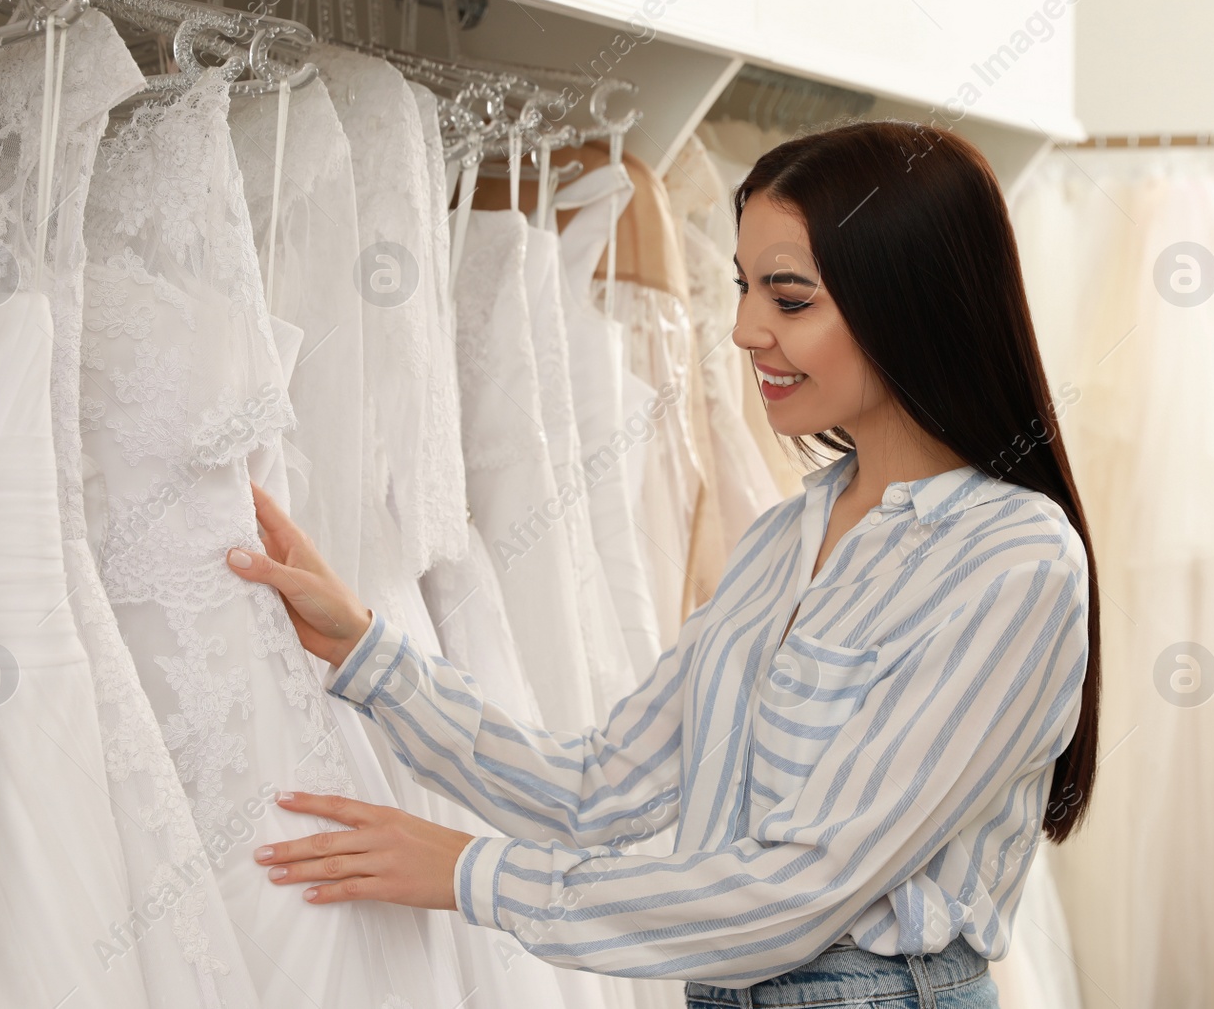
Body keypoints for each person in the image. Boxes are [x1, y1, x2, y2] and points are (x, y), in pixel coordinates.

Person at [226, 119, 1100, 1007]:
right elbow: (597, 788)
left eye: (789, 299)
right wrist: (368, 653)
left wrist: (472, 873)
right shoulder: (783, 539)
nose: (743, 329)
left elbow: (796, 892)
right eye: (743, 288)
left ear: (907, 302)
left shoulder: (1014, 563)